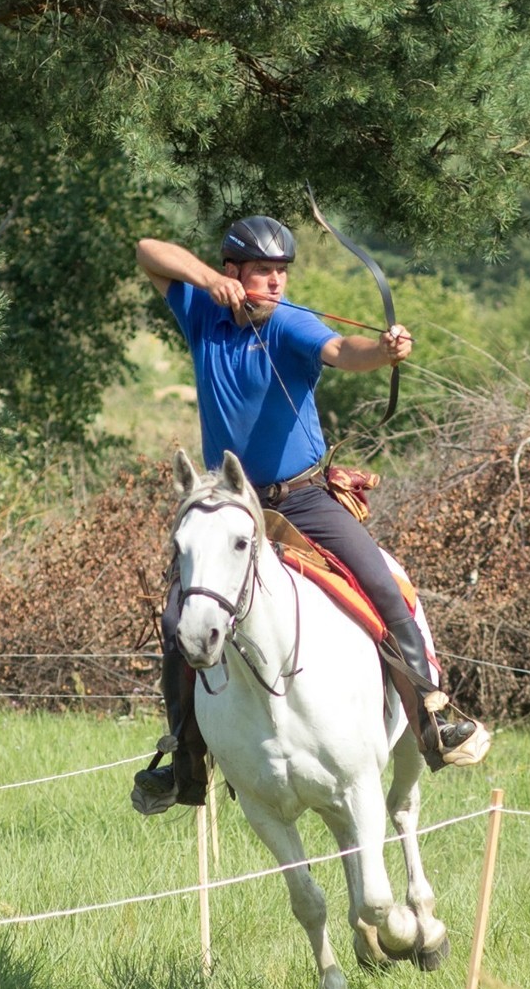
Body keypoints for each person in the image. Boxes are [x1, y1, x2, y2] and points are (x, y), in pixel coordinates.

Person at [134, 216, 481, 807]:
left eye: (281, 273)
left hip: (303, 497)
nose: (274, 283)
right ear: (233, 272)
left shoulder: (292, 322)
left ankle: (432, 718)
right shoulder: (201, 312)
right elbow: (147, 250)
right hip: (233, 505)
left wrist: (385, 350)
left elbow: (344, 350)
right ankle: (184, 761)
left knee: (380, 586)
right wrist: (206, 282)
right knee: (178, 619)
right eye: (262, 272)